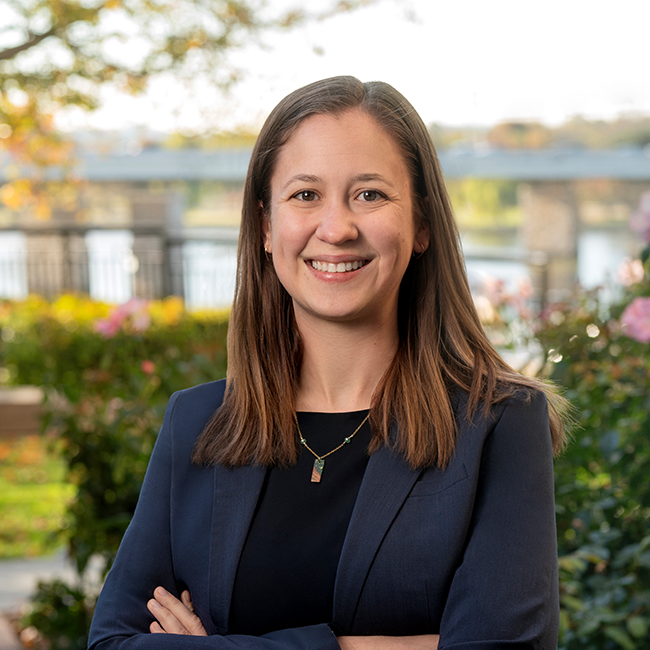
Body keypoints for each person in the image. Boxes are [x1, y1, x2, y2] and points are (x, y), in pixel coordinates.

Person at [88, 76, 569, 650]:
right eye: (305, 195)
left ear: (421, 225)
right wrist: (362, 646)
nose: (337, 228)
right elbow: (112, 644)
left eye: (370, 194)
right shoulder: (196, 423)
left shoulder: (498, 423)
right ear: (266, 227)